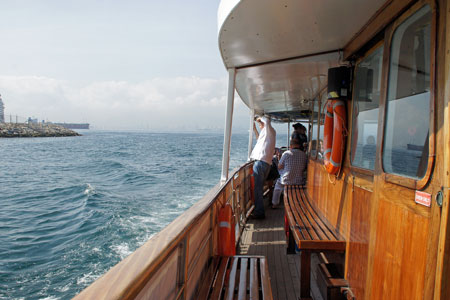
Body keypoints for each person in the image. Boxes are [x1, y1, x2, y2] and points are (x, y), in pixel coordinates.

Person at [250, 116, 276, 219]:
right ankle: (259, 210)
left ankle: (259, 212)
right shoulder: (267, 133)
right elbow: (258, 140)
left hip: (260, 163)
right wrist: (255, 129)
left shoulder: (269, 129)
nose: (259, 124)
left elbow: (267, 120)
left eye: (260, 124)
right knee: (259, 188)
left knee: (258, 189)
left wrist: (258, 118)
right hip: (266, 163)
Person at [271, 138, 307, 208]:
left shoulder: (286, 153)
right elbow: (305, 167)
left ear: (291, 146)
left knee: (277, 186)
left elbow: (279, 166)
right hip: (299, 181)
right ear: (299, 146)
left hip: (286, 180)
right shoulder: (304, 155)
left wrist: (279, 160)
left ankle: (275, 204)